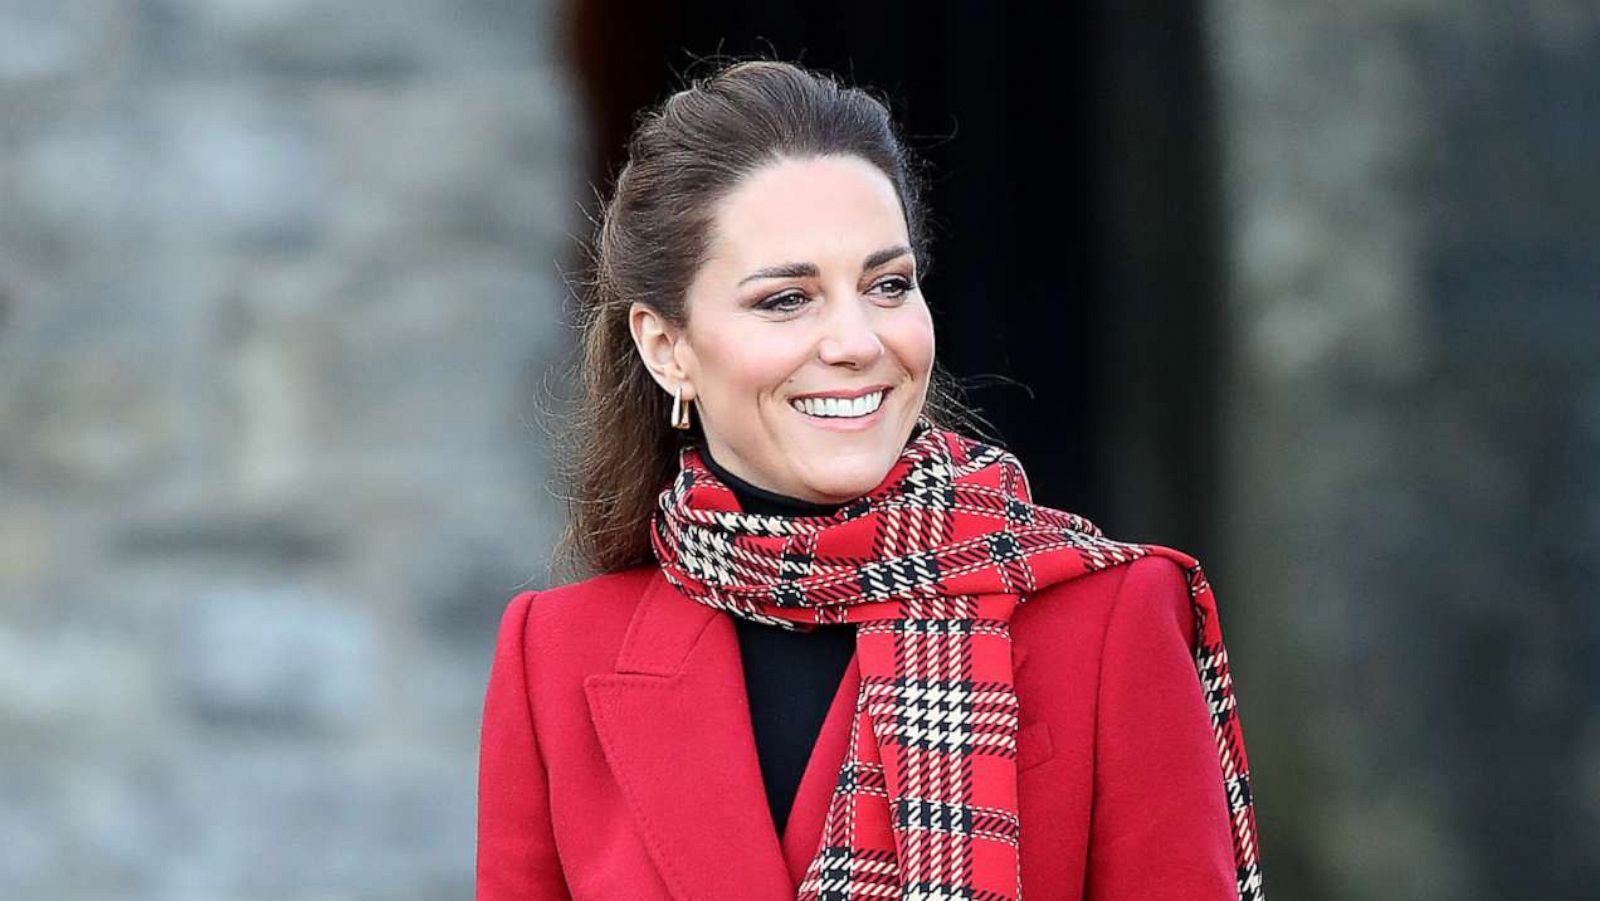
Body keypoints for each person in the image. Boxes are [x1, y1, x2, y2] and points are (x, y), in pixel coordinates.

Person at [476, 59, 1265, 901]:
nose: (857, 340)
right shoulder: (555, 654)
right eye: (786, 299)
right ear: (667, 347)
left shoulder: (1112, 620)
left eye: (888, 285)